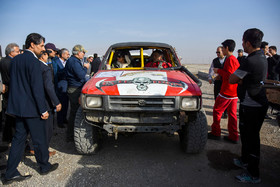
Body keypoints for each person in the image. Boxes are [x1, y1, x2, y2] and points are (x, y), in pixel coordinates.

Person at [1, 33, 58, 185]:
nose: (43, 49)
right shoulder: (33, 62)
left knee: (18, 139)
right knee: (39, 140)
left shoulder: (15, 60)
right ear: (32, 45)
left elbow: (16, 84)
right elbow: (36, 88)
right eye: (41, 46)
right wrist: (43, 110)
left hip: (18, 108)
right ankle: (44, 166)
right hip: (32, 109)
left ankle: (10, 172)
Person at [229, 28, 268, 184]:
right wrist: (243, 80)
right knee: (245, 134)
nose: (242, 45)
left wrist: (240, 80)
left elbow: (232, 79)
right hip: (253, 102)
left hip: (253, 104)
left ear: (248, 43)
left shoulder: (249, 60)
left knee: (252, 139)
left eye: (243, 41)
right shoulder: (262, 57)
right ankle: (245, 161)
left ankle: (253, 174)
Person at [208, 39, 240, 144]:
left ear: (226, 48)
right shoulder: (234, 59)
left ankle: (216, 132)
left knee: (217, 111)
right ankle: (233, 136)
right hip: (234, 92)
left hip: (227, 91)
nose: (221, 50)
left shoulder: (230, 59)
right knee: (232, 114)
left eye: (222, 48)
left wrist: (219, 71)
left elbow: (230, 75)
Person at [38, 50, 62, 156]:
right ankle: (44, 151)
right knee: (47, 129)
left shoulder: (34, 66)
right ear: (43, 56)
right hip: (46, 102)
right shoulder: (45, 68)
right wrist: (56, 102)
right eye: (46, 54)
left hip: (36, 101)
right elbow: (49, 87)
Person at [65, 44, 89, 142]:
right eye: (83, 52)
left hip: (73, 88)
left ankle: (71, 135)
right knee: (75, 113)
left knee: (74, 112)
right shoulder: (74, 62)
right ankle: (71, 135)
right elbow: (81, 75)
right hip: (75, 89)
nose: (83, 54)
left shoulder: (73, 60)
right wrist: (86, 67)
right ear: (78, 52)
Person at [0, 43, 20, 143]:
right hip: (11, 92)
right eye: (17, 51)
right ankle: (10, 137)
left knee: (7, 116)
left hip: (6, 93)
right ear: (11, 52)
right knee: (11, 117)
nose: (19, 53)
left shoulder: (2, 61)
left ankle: (6, 137)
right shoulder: (12, 63)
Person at [53, 48, 70, 128]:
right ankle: (59, 121)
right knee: (61, 104)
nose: (68, 55)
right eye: (67, 54)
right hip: (60, 86)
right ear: (62, 54)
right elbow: (56, 75)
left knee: (66, 104)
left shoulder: (67, 62)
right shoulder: (56, 62)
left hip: (66, 86)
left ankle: (64, 118)